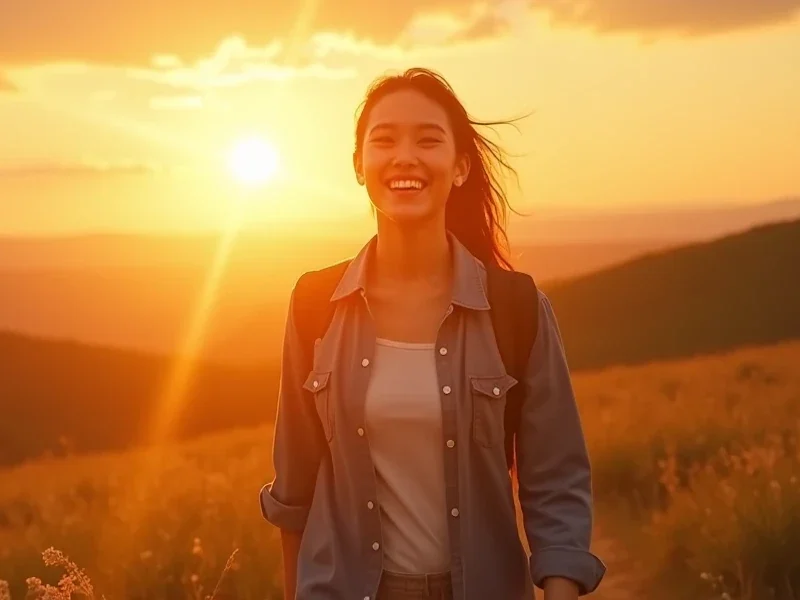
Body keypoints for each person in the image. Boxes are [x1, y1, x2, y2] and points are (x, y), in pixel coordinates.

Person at [259, 67, 606, 600]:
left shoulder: (515, 308)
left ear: (460, 165)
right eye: (384, 140)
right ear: (358, 166)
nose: (404, 157)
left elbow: (555, 480)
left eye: (428, 140)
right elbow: (294, 489)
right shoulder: (315, 306)